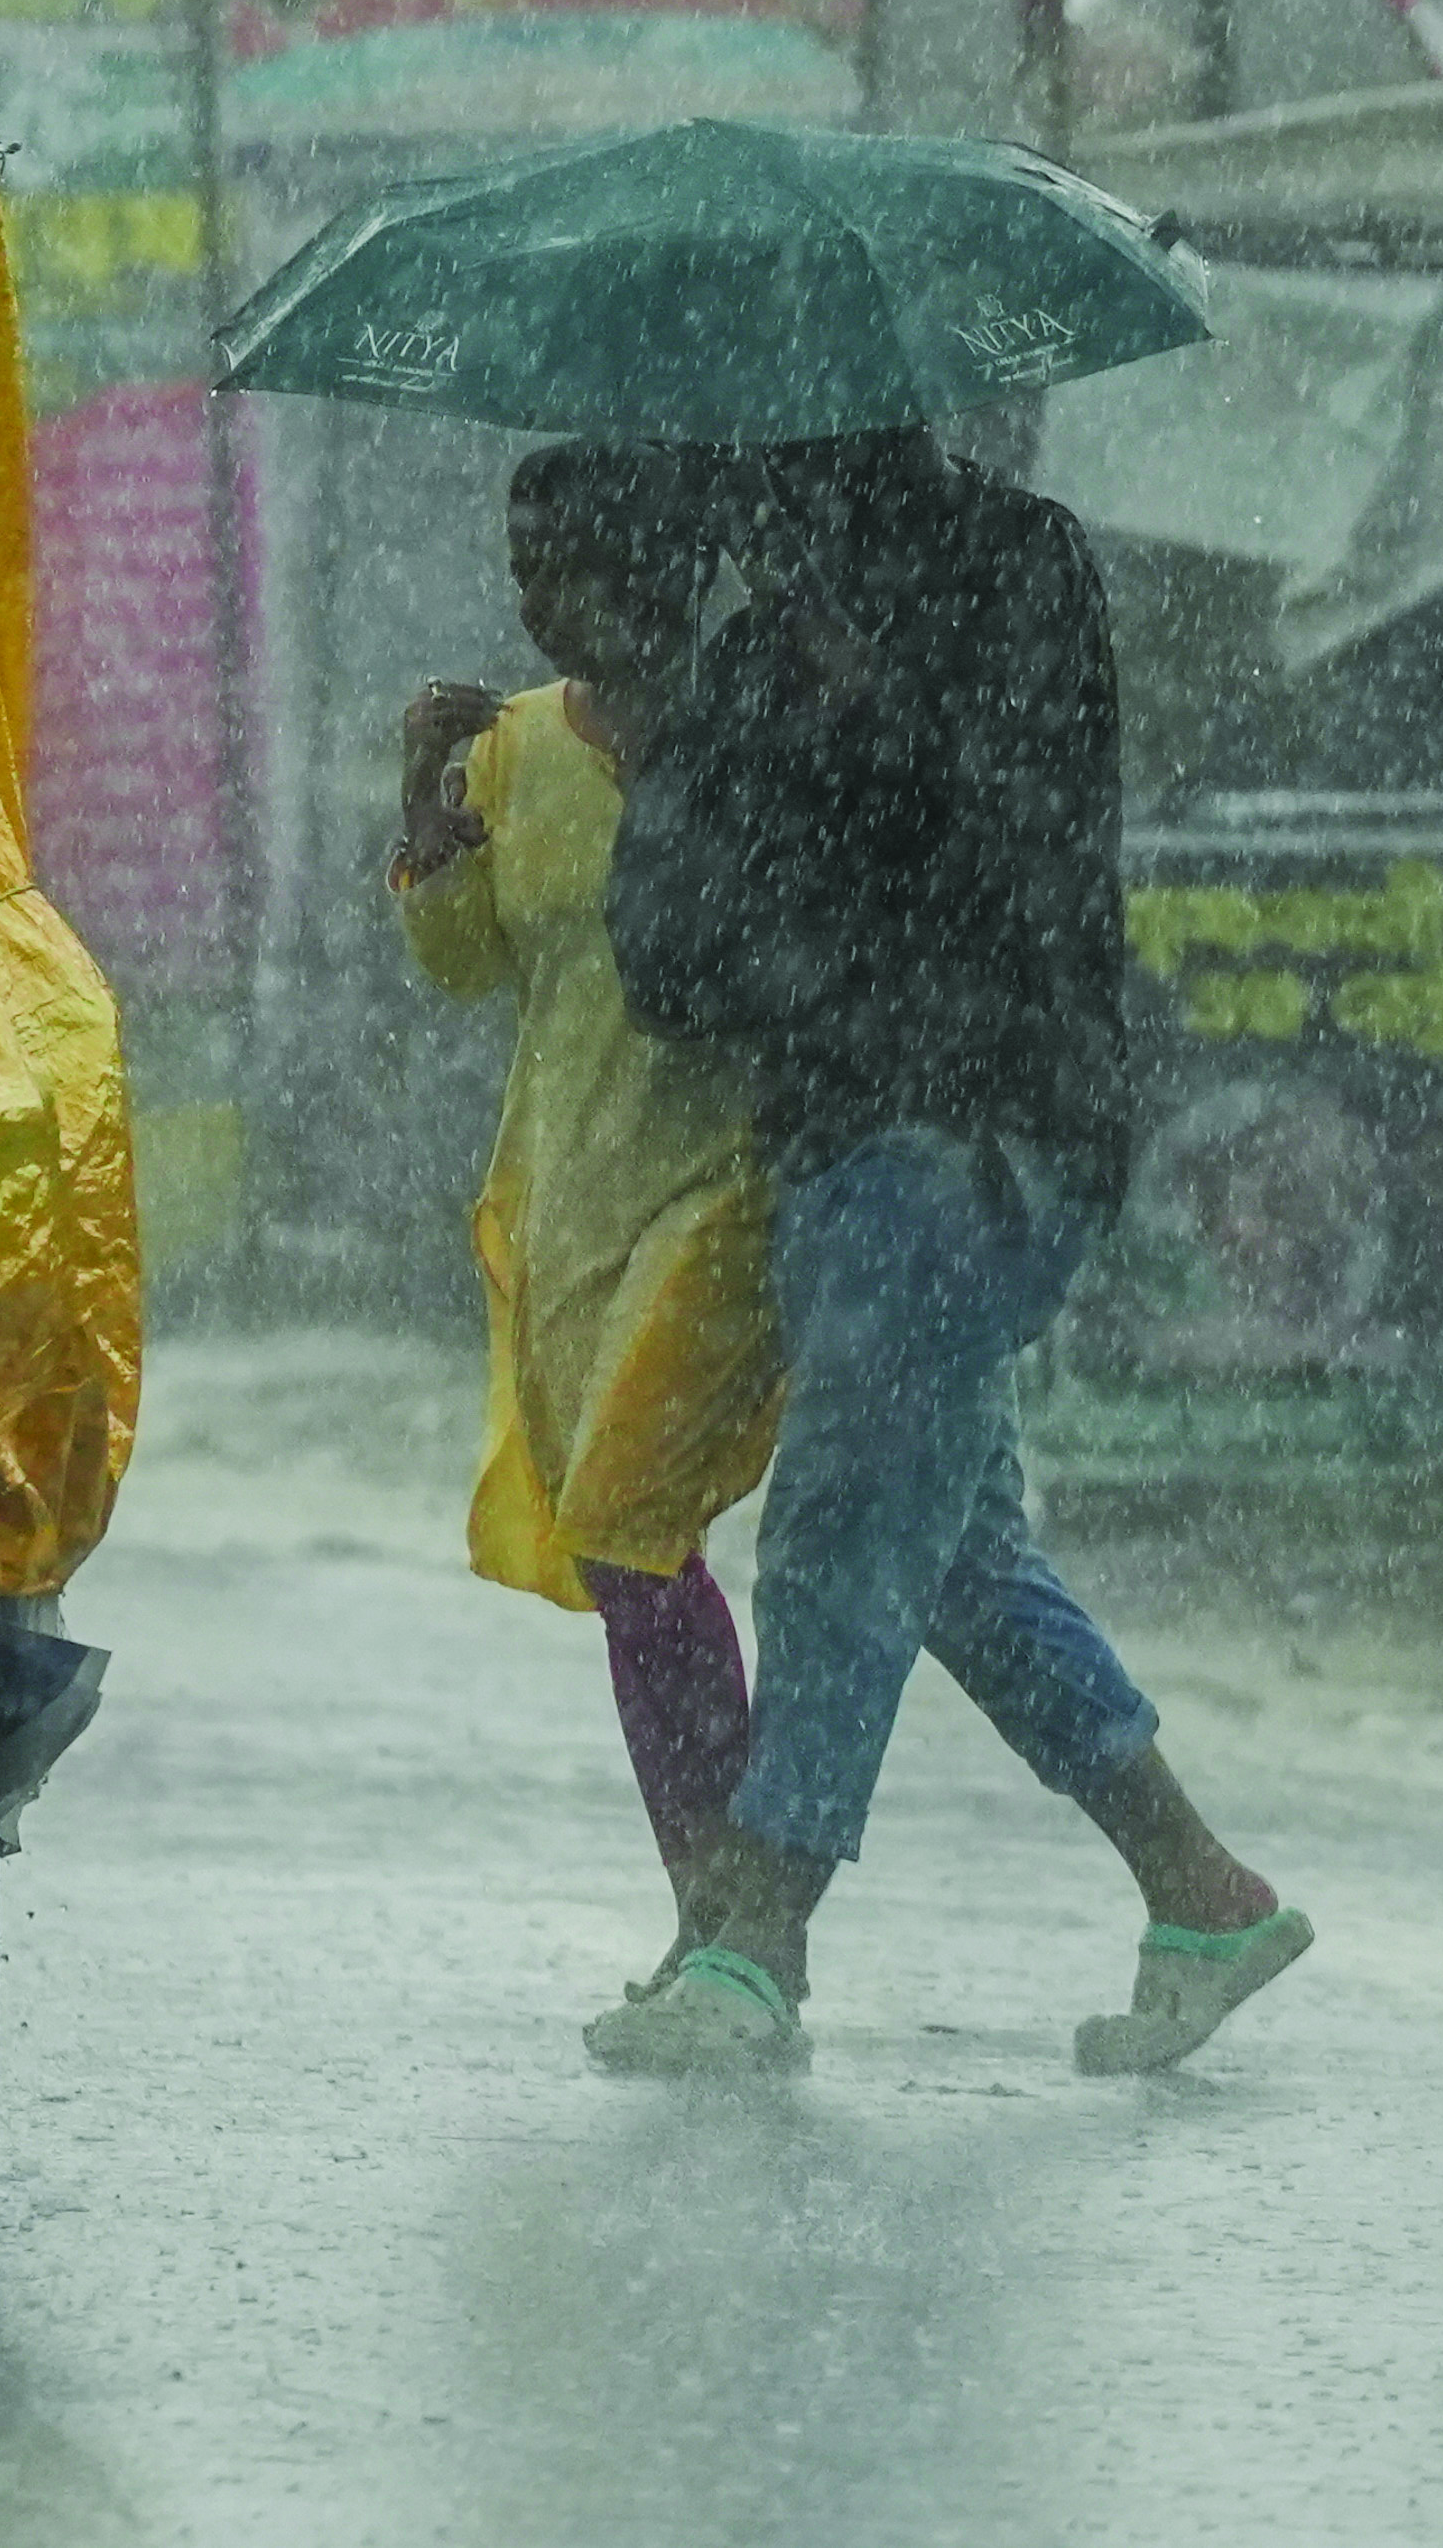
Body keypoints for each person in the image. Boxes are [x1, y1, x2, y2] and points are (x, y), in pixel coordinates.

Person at [584, 422, 1309, 2077]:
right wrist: (692, 751)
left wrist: (868, 722)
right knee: (961, 1561)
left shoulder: (1017, 575)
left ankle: (756, 1935)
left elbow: (1015, 841)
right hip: (843, 1145)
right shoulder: (754, 656)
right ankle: (1203, 1892)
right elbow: (672, 955)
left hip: (969, 1138)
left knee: (839, 1529)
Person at [392, 441, 782, 1996]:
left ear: (657, 570)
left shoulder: (756, 732)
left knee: (628, 1524)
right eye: (520, 570)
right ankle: (722, 1916)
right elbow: (466, 964)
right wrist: (423, 801)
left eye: (564, 567)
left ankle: (741, 1918)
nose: (534, 602)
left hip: (728, 1184)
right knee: (634, 1562)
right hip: (564, 1194)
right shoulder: (518, 750)